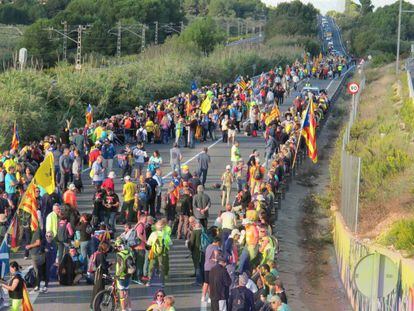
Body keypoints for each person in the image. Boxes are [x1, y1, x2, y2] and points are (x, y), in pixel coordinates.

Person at [146, 219, 172, 287]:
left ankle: (149, 281)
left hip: (154, 252)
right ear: (163, 227)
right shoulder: (165, 234)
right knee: (162, 267)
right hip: (163, 253)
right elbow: (170, 243)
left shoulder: (153, 234)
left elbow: (148, 243)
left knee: (151, 266)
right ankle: (162, 282)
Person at [26, 227, 48, 293]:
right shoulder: (38, 231)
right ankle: (40, 285)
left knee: (37, 271)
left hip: (36, 255)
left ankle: (38, 286)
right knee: (39, 271)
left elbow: (38, 242)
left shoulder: (37, 231)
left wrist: (29, 246)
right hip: (38, 254)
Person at [114, 238, 134, 311]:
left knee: (122, 295)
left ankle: (123, 309)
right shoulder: (129, 252)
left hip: (121, 276)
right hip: (128, 275)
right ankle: (129, 308)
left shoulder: (119, 254)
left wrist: (117, 275)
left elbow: (121, 266)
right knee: (127, 293)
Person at [201, 237, 221, 303]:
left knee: (206, 282)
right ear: (217, 242)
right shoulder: (215, 247)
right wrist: (217, 259)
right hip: (213, 267)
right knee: (212, 283)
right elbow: (216, 256)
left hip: (206, 266)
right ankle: (210, 297)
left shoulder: (208, 246)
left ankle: (203, 297)